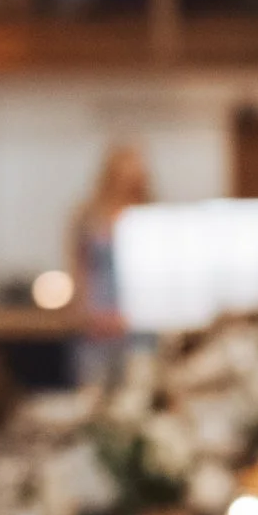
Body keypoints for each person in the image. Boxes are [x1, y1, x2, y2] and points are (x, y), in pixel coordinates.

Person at [67, 144, 151, 390]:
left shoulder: (149, 214)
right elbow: (78, 268)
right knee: (94, 391)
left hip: (139, 323)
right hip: (98, 321)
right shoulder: (88, 215)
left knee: (137, 393)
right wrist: (83, 312)